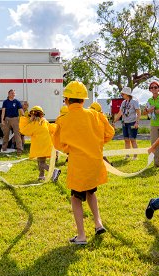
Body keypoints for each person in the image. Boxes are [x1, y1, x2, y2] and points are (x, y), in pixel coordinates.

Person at [53, 81, 115, 245]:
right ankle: (98, 223)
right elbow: (109, 133)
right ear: (83, 100)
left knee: (75, 198)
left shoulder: (63, 119)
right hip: (94, 163)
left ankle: (81, 236)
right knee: (91, 193)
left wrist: (69, 148)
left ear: (66, 100)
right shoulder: (95, 114)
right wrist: (96, 143)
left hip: (78, 165)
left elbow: (58, 144)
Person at [19, 106, 61, 182]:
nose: (30, 117)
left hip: (40, 146)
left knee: (41, 163)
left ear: (33, 115)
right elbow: (52, 128)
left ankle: (54, 171)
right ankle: (41, 176)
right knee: (40, 162)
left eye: (30, 115)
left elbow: (23, 130)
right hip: (47, 145)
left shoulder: (34, 124)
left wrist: (24, 118)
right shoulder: (44, 121)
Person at [113, 87, 141, 160]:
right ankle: (127, 155)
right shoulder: (123, 102)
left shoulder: (134, 101)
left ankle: (135, 156)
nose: (122, 95)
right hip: (124, 123)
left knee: (133, 140)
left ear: (127, 94)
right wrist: (114, 121)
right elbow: (120, 113)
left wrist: (137, 122)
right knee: (126, 139)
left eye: (123, 94)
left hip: (132, 123)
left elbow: (139, 112)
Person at [1, 89, 23, 155]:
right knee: (6, 134)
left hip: (15, 119)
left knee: (17, 135)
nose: (13, 94)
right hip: (7, 119)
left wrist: (24, 116)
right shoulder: (5, 102)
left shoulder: (17, 102)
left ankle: (19, 149)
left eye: (14, 93)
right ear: (8, 94)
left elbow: (21, 110)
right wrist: (2, 120)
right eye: (11, 93)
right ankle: (4, 148)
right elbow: (3, 111)